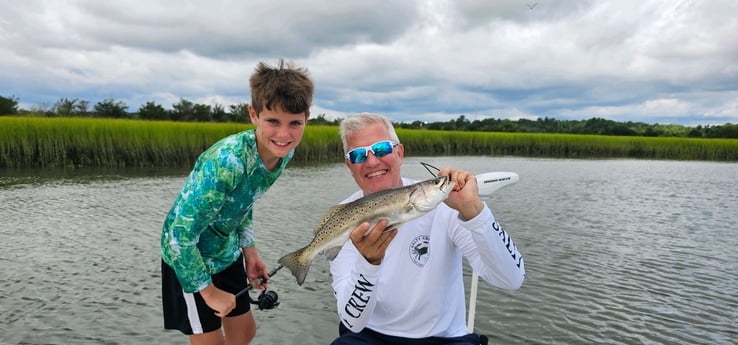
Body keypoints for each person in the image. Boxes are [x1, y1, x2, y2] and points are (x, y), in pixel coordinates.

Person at [329, 113, 526, 345]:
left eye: (382, 149)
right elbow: (353, 322)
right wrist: (368, 264)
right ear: (349, 165)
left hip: (444, 338)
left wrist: (475, 212)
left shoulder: (445, 202)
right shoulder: (343, 217)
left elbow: (512, 279)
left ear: (399, 153)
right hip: (369, 336)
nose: (372, 162)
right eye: (359, 155)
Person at [160, 59, 313, 345]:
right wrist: (207, 290)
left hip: (226, 252)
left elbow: (244, 201)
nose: (284, 135)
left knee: (244, 332)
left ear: (307, 117)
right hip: (188, 259)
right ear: (254, 114)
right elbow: (177, 237)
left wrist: (250, 252)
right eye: (273, 122)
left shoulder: (283, 154)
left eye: (295, 123)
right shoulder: (227, 163)